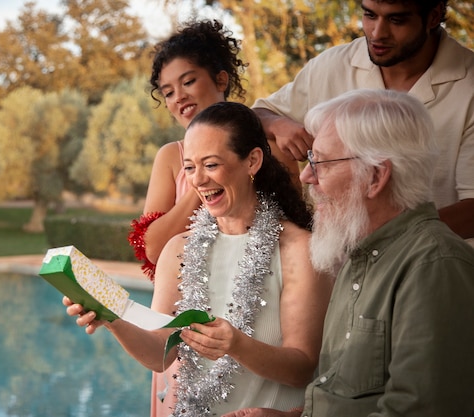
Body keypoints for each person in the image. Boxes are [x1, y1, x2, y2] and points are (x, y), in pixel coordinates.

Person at [66, 102, 332, 416]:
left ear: (253, 161)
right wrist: (111, 320)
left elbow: (301, 367)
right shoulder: (178, 249)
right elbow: (161, 353)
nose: (199, 180)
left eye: (211, 164)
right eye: (190, 167)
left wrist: (235, 344)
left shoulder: (299, 248)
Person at [223, 89, 474, 417]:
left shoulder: (435, 266)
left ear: (375, 177)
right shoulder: (358, 257)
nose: (305, 176)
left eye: (320, 162)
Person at [252, 0, 474, 244]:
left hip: (435, 265)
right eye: (369, 15)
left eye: (396, 20)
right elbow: (258, 114)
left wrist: (385, 240)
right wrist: (279, 124)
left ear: (433, 17)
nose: (377, 33)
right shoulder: (331, 65)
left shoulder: (469, 86)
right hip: (332, 264)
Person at [128, 20, 299, 283]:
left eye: (188, 82)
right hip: (187, 297)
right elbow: (152, 250)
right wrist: (203, 177)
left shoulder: (269, 148)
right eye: (169, 92)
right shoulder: (170, 157)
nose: (179, 97)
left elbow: (293, 233)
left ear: (221, 79)